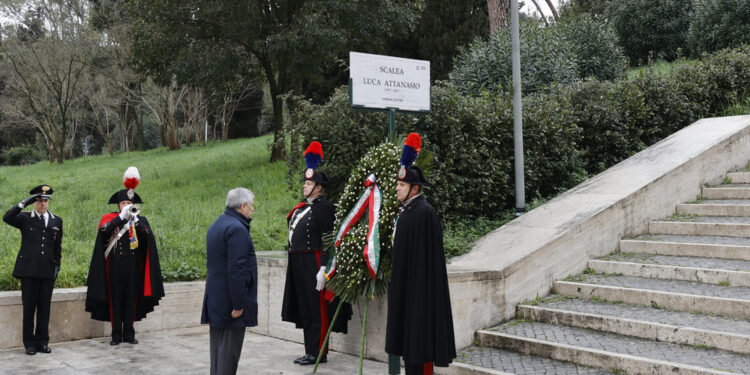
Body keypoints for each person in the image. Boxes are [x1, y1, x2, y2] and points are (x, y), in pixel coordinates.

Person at [385, 133, 456, 375]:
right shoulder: (407, 212)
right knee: (408, 347)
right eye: (398, 184)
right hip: (407, 289)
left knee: (418, 347)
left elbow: (427, 260)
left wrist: (416, 291)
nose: (397, 188)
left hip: (420, 293)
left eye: (402, 185)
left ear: (414, 188)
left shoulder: (424, 213)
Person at [281, 141, 351, 366]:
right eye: (305, 182)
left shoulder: (325, 208)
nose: (304, 186)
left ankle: (318, 352)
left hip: (314, 262)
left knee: (317, 309)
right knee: (305, 308)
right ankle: (310, 350)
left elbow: (329, 240)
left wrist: (324, 269)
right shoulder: (302, 207)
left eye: (309, 183)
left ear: (318, 187)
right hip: (298, 262)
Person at [85, 167, 164, 346]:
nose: (127, 206)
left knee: (131, 297)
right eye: (123, 204)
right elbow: (104, 232)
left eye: (129, 203)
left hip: (133, 264)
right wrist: (121, 217)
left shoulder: (139, 219)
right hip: (114, 263)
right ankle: (115, 335)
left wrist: (135, 221)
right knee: (115, 298)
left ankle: (129, 333)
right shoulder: (110, 218)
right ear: (118, 205)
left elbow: (148, 237)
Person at [201, 187, 258, 375]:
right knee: (227, 356)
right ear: (243, 205)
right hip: (230, 302)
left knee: (218, 353)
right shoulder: (237, 229)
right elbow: (236, 271)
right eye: (251, 206)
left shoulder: (218, 223)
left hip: (217, 298)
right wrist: (239, 304)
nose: (252, 210)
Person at [3, 185, 62, 355]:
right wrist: (25, 203)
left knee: (45, 309)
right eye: (39, 200)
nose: (43, 204)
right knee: (29, 309)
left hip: (47, 271)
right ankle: (29, 344)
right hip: (29, 271)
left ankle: (42, 342)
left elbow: (58, 246)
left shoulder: (56, 220)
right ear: (34, 202)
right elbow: (7, 218)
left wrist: (57, 266)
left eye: (45, 201)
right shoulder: (24, 218)